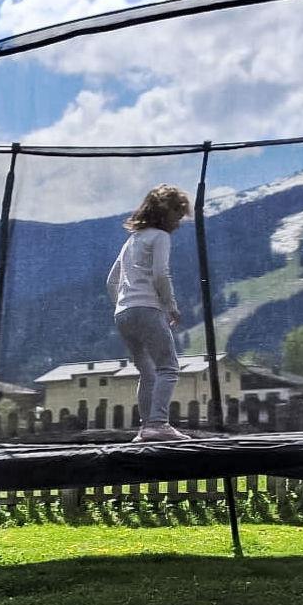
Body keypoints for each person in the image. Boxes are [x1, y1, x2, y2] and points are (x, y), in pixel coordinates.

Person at [105, 184, 193, 442]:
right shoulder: (160, 237)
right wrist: (170, 306)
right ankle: (158, 424)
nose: (178, 222)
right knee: (169, 366)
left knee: (147, 371)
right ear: (164, 212)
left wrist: (124, 305)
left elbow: (111, 281)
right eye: (177, 214)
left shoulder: (131, 240)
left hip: (123, 314)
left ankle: (145, 429)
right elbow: (160, 274)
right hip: (147, 309)